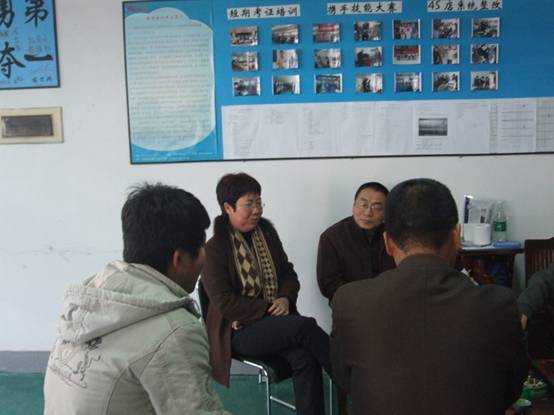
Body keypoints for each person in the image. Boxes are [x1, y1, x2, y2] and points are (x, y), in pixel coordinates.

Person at [331, 178, 528, 415]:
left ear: (388, 242)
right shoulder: (498, 304)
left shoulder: (350, 301)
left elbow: (345, 380)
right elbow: (511, 388)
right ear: (456, 237)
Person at [44, 183, 228, 415]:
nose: (205, 256)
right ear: (179, 259)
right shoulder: (175, 330)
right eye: (201, 247)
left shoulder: (90, 297)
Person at [202, 173, 330, 415]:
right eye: (249, 204)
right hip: (238, 331)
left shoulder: (266, 234)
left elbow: (288, 274)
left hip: (274, 324)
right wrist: (268, 308)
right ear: (228, 208)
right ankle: (353, 382)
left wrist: (285, 298)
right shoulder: (214, 249)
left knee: (305, 357)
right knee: (304, 327)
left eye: (259, 202)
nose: (257, 210)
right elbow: (224, 303)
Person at [317, 182, 395, 302]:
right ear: (353, 206)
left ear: (386, 213)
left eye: (377, 208)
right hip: (349, 304)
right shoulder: (331, 237)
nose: (368, 213)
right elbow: (328, 284)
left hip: (388, 302)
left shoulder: (395, 235)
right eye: (363, 205)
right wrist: (362, 299)